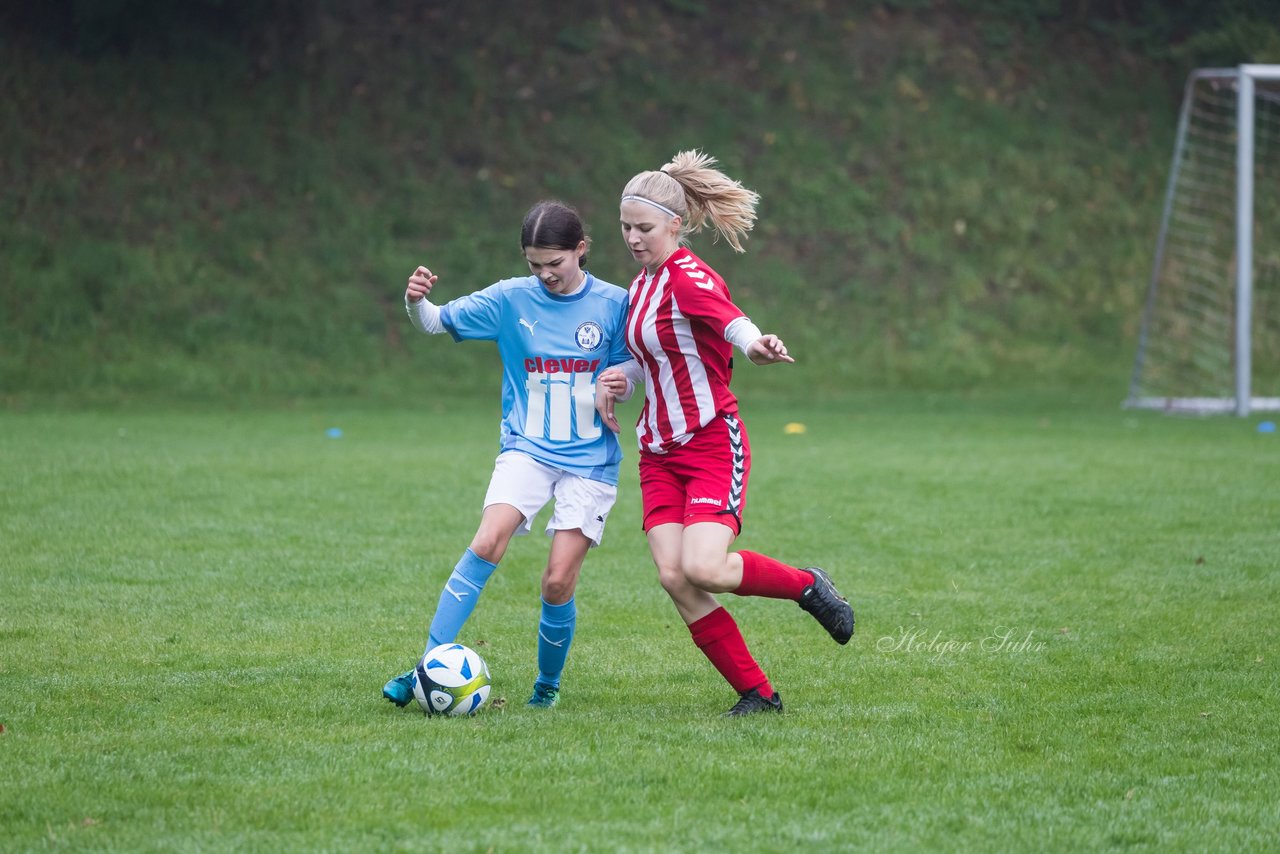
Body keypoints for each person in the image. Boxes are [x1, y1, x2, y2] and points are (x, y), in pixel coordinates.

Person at [596, 150, 855, 717]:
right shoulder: (641, 287)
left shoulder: (687, 275)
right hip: (658, 454)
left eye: (643, 228)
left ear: (675, 224)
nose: (633, 239)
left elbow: (726, 318)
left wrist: (757, 344)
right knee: (674, 575)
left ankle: (808, 585)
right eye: (625, 228)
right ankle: (757, 694)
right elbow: (655, 356)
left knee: (706, 567)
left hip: (711, 441)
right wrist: (622, 374)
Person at [383, 200, 632, 710]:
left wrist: (622, 381)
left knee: (558, 580)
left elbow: (637, 365)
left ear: (581, 250)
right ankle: (423, 668)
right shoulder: (509, 299)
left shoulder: (615, 303)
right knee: (487, 541)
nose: (545, 276)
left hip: (590, 461)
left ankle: (547, 686)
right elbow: (433, 322)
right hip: (527, 449)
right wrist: (415, 301)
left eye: (555, 264)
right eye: (534, 265)